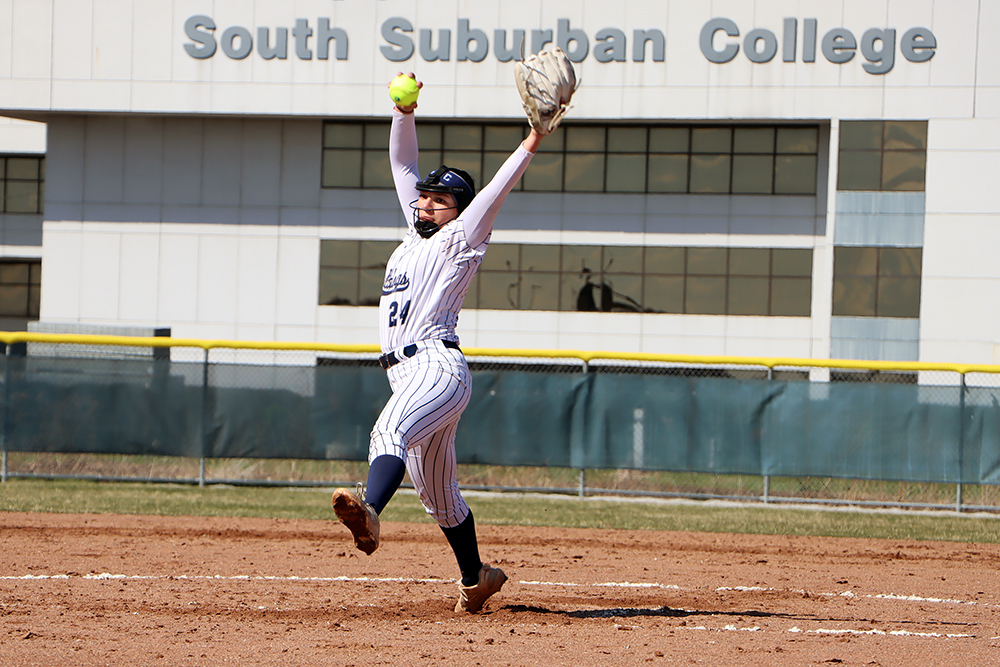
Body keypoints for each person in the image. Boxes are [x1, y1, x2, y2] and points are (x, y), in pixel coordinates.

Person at [332, 72, 544, 613]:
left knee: (389, 429)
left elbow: (496, 190)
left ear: (459, 208)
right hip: (406, 373)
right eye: (424, 197)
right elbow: (402, 165)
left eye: (438, 199)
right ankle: (477, 578)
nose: (425, 204)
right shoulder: (413, 234)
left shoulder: (462, 236)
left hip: (437, 366)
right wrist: (404, 113)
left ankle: (371, 512)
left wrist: (532, 139)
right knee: (440, 497)